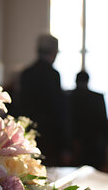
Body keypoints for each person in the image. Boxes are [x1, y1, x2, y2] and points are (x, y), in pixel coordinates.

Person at [19, 34, 71, 166]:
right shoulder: (53, 75)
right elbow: (59, 110)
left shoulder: (26, 73)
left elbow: (20, 106)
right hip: (48, 136)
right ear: (54, 53)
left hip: (27, 134)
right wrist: (65, 146)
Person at [68, 70, 108, 169]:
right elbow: (104, 124)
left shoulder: (68, 96)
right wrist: (106, 145)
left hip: (73, 145)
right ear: (88, 81)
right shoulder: (97, 98)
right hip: (93, 145)